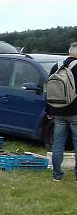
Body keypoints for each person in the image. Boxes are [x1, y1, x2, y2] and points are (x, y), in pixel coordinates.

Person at [48, 42, 77, 181]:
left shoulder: (57, 66)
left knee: (58, 144)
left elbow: (49, 90)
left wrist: (50, 109)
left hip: (58, 111)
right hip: (75, 112)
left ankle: (57, 175)